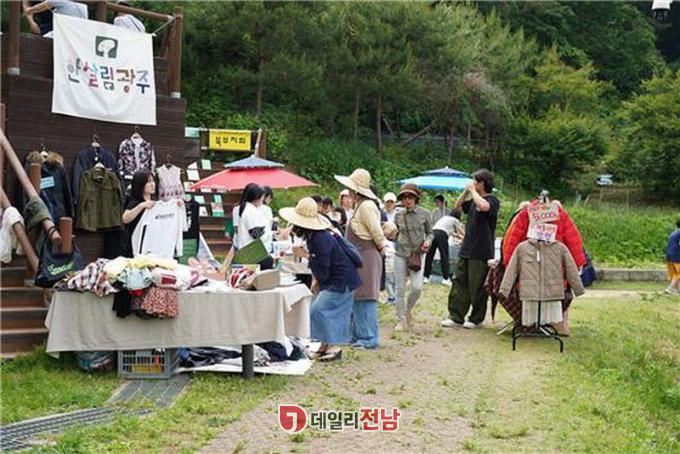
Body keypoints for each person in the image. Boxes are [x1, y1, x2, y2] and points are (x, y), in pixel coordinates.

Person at [282, 198, 362, 361]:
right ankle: (325, 345)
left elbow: (322, 265)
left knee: (321, 310)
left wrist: (305, 256)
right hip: (337, 278)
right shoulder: (315, 236)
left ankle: (335, 346)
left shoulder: (320, 238)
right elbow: (320, 263)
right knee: (323, 311)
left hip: (342, 280)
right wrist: (315, 277)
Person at [442, 169, 500, 329]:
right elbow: (457, 207)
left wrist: (473, 191)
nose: (472, 183)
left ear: (483, 183)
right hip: (466, 248)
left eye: (475, 180)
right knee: (459, 282)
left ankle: (476, 319)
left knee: (478, 286)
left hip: (481, 251)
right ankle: (456, 316)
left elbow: (485, 207)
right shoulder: (473, 200)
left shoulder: (492, 200)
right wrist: (466, 192)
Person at [335, 169, 385, 349]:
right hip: (359, 256)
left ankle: (369, 337)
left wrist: (382, 246)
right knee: (357, 296)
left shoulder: (367, 206)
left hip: (366, 255)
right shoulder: (360, 205)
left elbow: (375, 230)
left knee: (365, 296)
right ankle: (357, 334)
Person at [393, 183, 432, 331]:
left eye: (410, 197)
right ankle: (400, 319)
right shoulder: (398, 215)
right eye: (404, 197)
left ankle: (407, 310)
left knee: (417, 287)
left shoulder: (425, 213)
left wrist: (428, 241)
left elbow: (430, 233)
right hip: (400, 253)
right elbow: (394, 234)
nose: (407, 200)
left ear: (416, 198)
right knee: (399, 289)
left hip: (417, 254)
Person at [235, 184, 273, 270]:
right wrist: (269, 232)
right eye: (262, 197)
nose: (263, 199)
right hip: (251, 252)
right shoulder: (251, 211)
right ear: (256, 197)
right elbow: (256, 234)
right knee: (268, 262)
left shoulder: (247, 208)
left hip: (247, 251)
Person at [424, 210, 465, 286]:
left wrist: (459, 236)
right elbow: (461, 231)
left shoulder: (445, 218)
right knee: (444, 256)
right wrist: (467, 238)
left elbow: (454, 234)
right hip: (442, 235)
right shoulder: (455, 220)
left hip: (433, 233)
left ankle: (426, 277)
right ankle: (445, 279)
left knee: (429, 256)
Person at [121, 170, 156, 257]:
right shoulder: (134, 202)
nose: (152, 184)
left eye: (153, 181)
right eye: (148, 182)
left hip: (151, 244)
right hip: (135, 246)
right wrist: (141, 206)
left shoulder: (155, 203)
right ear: (140, 184)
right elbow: (125, 218)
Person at [382, 221, 398, 305]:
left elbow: (383, 253)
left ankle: (391, 297)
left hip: (388, 264)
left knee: (388, 281)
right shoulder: (395, 243)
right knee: (394, 281)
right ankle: (395, 296)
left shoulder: (384, 242)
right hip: (395, 263)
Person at [665, 219, 680, 295]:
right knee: (679, 273)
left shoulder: (674, 232)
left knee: (674, 273)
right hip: (676, 255)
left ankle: (676, 289)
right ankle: (670, 288)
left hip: (669, 255)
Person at [259, 186, 274, 254]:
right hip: (265, 244)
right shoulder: (267, 209)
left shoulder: (251, 208)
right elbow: (270, 227)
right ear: (269, 197)